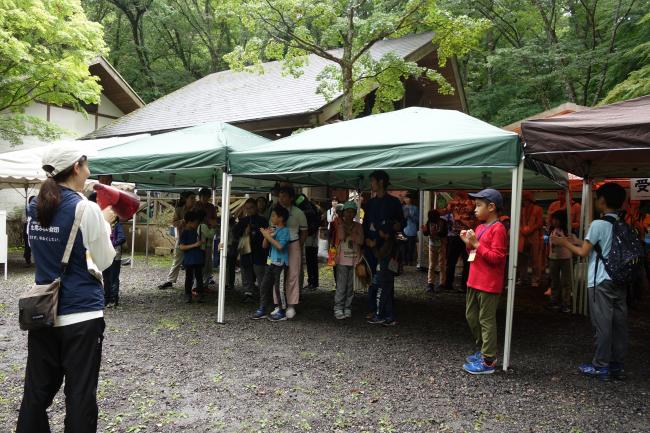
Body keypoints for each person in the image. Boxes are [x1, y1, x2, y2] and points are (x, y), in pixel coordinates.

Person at [17, 145, 116, 432]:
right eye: (86, 164)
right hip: (81, 315)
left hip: (42, 311)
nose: (89, 170)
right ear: (76, 167)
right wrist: (106, 224)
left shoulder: (35, 205)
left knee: (36, 393)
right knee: (80, 394)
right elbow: (105, 259)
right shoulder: (85, 208)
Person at [552, 183, 631, 380]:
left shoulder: (598, 224)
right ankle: (617, 365)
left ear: (603, 201)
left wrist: (564, 243)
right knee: (619, 324)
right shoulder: (624, 225)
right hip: (620, 279)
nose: (596, 201)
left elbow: (583, 252)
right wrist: (577, 240)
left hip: (601, 280)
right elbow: (600, 246)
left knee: (602, 324)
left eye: (597, 198)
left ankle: (600, 365)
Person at [460, 188, 508, 375]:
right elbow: (473, 254)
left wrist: (477, 244)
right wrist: (468, 243)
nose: (474, 209)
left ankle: (488, 360)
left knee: (486, 320)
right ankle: (483, 351)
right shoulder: (480, 227)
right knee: (471, 317)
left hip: (488, 283)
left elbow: (497, 258)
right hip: (474, 280)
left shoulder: (499, 229)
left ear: (492, 207)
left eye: (478, 205)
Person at [362, 170, 405, 319]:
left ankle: (386, 313)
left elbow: (401, 224)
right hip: (371, 246)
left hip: (388, 248)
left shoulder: (394, 202)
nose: (371, 184)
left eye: (372, 181)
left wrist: (391, 229)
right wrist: (367, 240)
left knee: (386, 280)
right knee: (372, 279)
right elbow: (366, 225)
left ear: (380, 182)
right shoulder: (370, 203)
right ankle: (375, 309)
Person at [252, 205, 290, 321]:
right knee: (264, 285)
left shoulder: (285, 231)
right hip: (271, 262)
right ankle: (263, 308)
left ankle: (282, 311)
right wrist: (266, 237)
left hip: (281, 264)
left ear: (281, 218)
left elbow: (280, 246)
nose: (271, 218)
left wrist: (267, 236)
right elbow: (264, 246)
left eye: (273, 215)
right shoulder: (273, 229)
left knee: (279, 288)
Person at [276, 186, 308, 319]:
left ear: (291, 198)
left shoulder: (298, 212)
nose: (281, 198)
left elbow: (304, 232)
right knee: (277, 274)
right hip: (278, 245)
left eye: (284, 196)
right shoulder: (275, 211)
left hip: (293, 243)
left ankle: (291, 305)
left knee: (293, 275)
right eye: (280, 196)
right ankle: (278, 304)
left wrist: (298, 245)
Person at [158, 191, 196, 289]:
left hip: (194, 239)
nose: (193, 200)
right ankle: (170, 280)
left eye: (194, 198)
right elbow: (174, 223)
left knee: (194, 262)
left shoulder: (196, 210)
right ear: (185, 199)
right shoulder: (179, 210)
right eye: (191, 198)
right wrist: (183, 221)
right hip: (182, 238)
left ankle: (196, 283)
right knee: (177, 260)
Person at [333, 201, 364, 319]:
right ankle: (338, 307)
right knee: (341, 285)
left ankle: (347, 307)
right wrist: (349, 230)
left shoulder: (359, 226)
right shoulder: (340, 225)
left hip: (355, 260)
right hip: (342, 259)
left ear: (355, 213)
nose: (350, 214)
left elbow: (361, 241)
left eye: (352, 212)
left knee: (351, 286)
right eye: (347, 212)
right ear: (344, 213)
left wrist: (351, 232)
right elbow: (341, 237)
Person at [234, 198, 269, 301]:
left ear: (256, 208)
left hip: (259, 251)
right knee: (246, 271)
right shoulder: (242, 221)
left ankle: (264, 293)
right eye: (247, 208)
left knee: (260, 272)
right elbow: (235, 234)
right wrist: (244, 232)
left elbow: (266, 235)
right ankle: (248, 292)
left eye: (251, 208)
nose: (249, 210)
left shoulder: (262, 220)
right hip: (246, 250)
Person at [367, 223, 399, 326]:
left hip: (384, 272)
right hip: (389, 272)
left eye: (380, 231)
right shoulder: (393, 242)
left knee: (380, 294)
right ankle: (390, 317)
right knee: (387, 296)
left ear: (385, 233)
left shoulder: (388, 243)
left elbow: (379, 255)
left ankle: (379, 315)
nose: (378, 232)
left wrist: (372, 246)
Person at [445, 192, 475, 292]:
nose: (456, 191)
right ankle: (448, 284)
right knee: (450, 261)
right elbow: (448, 207)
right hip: (455, 236)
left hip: (467, 236)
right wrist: (452, 204)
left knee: (468, 261)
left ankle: (465, 286)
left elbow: (470, 212)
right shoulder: (455, 201)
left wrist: (459, 217)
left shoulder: (470, 202)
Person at [546, 210, 573, 313]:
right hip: (553, 258)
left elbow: (569, 242)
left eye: (556, 219)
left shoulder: (567, 230)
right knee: (554, 281)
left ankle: (566, 303)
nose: (554, 221)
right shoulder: (552, 230)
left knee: (566, 281)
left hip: (565, 258)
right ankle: (554, 302)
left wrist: (561, 240)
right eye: (553, 219)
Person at [519, 191, 544, 288]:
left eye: (526, 197)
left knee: (535, 258)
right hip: (523, 236)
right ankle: (523, 278)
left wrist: (530, 230)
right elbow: (519, 222)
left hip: (534, 236)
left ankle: (536, 279)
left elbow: (540, 222)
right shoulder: (521, 209)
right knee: (522, 258)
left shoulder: (538, 209)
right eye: (524, 197)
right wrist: (522, 230)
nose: (525, 199)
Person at [179, 211, 205, 303]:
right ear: (190, 222)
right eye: (196, 222)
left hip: (198, 258)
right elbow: (181, 247)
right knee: (189, 278)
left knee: (199, 277)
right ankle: (188, 294)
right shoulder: (184, 233)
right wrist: (195, 245)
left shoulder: (195, 231)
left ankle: (200, 294)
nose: (197, 224)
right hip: (189, 259)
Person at [194, 187, 217, 285]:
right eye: (202, 196)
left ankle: (205, 282)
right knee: (198, 261)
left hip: (208, 237)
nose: (204, 198)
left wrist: (211, 223)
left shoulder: (211, 207)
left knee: (207, 260)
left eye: (207, 196)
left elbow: (214, 220)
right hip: (198, 235)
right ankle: (197, 283)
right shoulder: (195, 206)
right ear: (199, 197)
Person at [103, 217, 126, 308]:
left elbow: (122, 238)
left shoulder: (117, 226)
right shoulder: (104, 225)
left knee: (113, 278)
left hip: (115, 256)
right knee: (105, 278)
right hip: (105, 255)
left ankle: (114, 300)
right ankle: (106, 299)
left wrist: (111, 244)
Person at [424, 209, 448, 293]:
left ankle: (442, 283)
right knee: (431, 265)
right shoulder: (429, 222)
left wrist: (437, 232)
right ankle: (430, 284)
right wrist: (425, 231)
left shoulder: (443, 222)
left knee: (441, 265)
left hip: (441, 245)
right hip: (432, 245)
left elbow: (445, 233)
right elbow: (426, 233)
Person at [402, 194, 419, 266]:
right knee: (402, 246)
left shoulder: (415, 208)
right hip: (402, 230)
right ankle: (403, 261)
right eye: (405, 198)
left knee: (410, 247)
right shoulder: (402, 207)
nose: (406, 199)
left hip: (412, 230)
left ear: (411, 199)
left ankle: (410, 261)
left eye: (407, 198)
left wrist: (410, 216)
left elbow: (418, 219)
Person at [22, 196, 36, 266]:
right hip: (27, 228)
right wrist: (28, 219)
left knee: (34, 245)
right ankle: (28, 260)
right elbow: (23, 219)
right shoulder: (26, 209)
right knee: (27, 245)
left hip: (34, 228)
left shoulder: (37, 208)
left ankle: (32, 261)